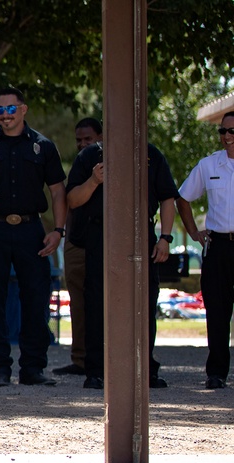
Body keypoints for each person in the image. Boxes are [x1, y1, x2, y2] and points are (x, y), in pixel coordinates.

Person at [0, 86, 67, 387]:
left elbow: (58, 191)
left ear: (23, 109)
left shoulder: (43, 146)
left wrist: (58, 231)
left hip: (32, 230)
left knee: (35, 297)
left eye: (10, 109)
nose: (4, 116)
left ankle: (32, 368)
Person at [67, 139, 178, 389]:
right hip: (100, 234)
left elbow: (168, 198)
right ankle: (95, 370)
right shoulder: (89, 157)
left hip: (141, 234)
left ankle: (145, 369)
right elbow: (72, 199)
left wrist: (165, 238)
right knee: (96, 302)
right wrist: (94, 181)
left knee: (145, 300)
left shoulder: (150, 153)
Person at [176, 111, 234, 390]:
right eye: (222, 131)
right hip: (219, 246)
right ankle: (217, 372)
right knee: (217, 312)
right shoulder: (209, 165)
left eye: (232, 131)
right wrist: (193, 232)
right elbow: (183, 198)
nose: (226, 137)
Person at [53, 118, 103, 377]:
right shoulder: (80, 165)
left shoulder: (109, 162)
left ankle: (108, 357)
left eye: (89, 139)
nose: (83, 144)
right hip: (77, 241)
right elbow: (71, 199)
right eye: (79, 140)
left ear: (102, 137)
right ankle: (81, 358)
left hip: (106, 243)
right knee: (79, 301)